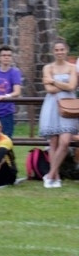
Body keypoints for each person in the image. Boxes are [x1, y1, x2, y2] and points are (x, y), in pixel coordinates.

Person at [37, 41, 78, 188]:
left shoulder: (72, 67)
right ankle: (56, 177)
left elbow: (72, 86)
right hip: (52, 105)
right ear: (53, 51)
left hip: (68, 106)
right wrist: (63, 86)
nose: (59, 52)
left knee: (65, 141)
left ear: (66, 50)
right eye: (57, 50)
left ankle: (51, 174)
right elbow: (49, 89)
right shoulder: (48, 67)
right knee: (53, 142)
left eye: (62, 49)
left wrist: (53, 81)